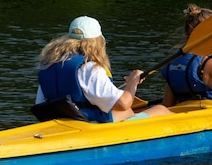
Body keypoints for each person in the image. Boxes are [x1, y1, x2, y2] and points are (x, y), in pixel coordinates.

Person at [35, 16, 173, 122]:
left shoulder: (49, 64)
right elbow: (124, 103)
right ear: (97, 42)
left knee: (128, 112)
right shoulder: (90, 68)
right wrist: (133, 82)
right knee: (161, 109)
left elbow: (40, 103)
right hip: (88, 124)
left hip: (60, 122)